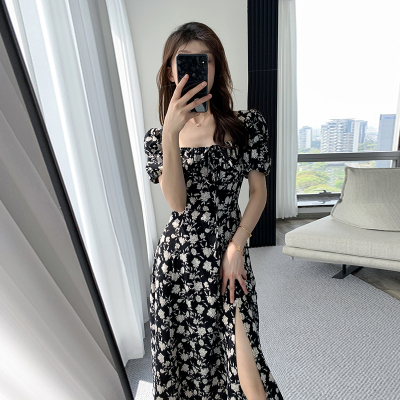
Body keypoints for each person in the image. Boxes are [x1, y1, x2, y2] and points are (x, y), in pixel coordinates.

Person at [143, 21, 284, 400]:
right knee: (188, 371)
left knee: (247, 369)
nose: (195, 69)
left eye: (204, 60)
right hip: (178, 264)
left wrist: (237, 246)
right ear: (170, 72)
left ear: (216, 67)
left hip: (228, 255)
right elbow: (177, 204)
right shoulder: (157, 139)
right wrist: (171, 134)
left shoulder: (246, 124)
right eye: (184, 61)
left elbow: (258, 194)